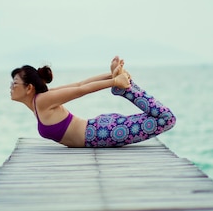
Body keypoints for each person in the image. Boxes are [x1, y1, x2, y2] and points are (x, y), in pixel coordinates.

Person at [10, 56, 176, 147]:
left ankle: (125, 87)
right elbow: (79, 84)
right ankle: (124, 87)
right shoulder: (41, 101)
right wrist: (111, 77)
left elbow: (80, 89)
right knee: (164, 119)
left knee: (167, 119)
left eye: (15, 83)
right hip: (101, 131)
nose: (11, 86)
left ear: (29, 87)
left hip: (103, 133)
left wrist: (113, 81)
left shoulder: (42, 100)